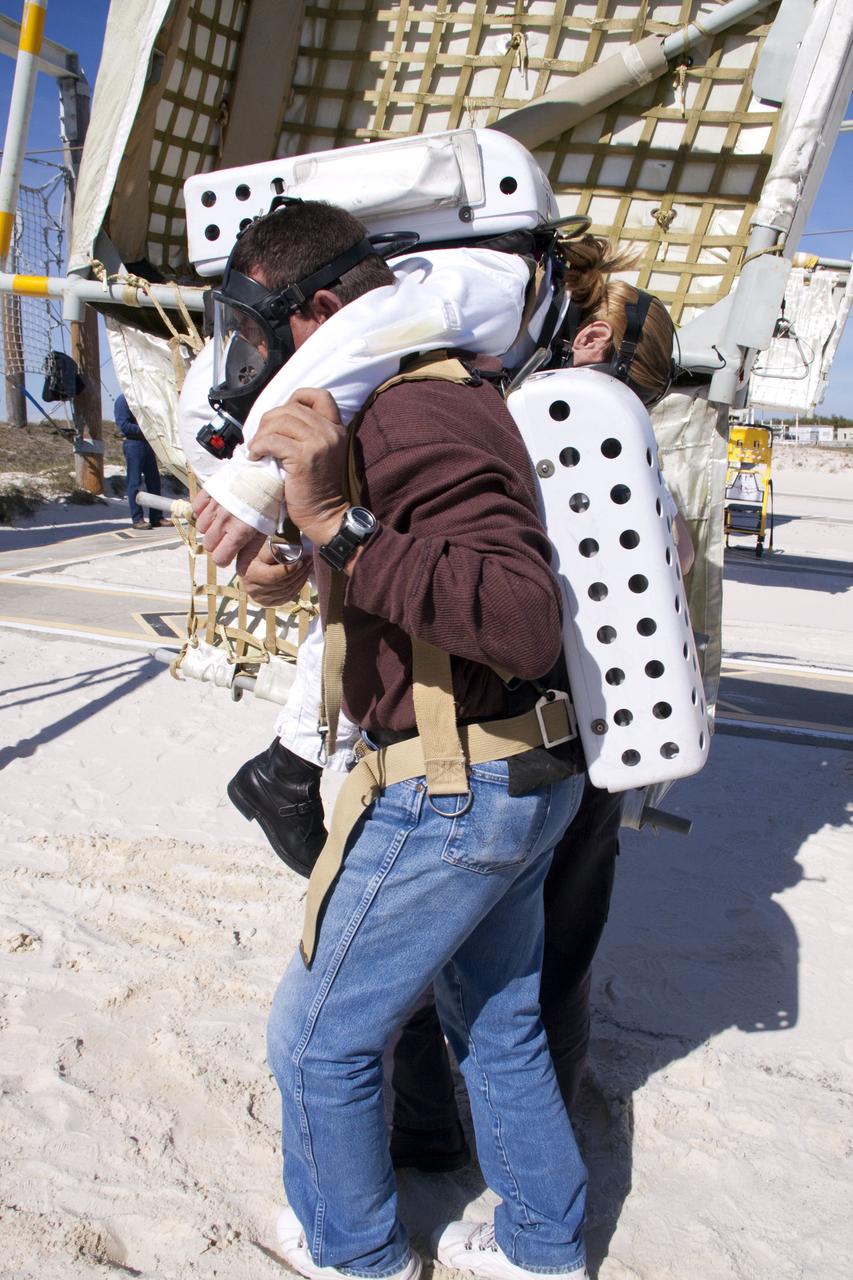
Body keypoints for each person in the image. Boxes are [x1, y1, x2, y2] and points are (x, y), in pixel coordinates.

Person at [195, 200, 591, 1280]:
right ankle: (542, 1248)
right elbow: (420, 561)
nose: (254, 361)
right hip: (515, 767)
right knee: (497, 1025)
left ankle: (354, 1254)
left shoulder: (413, 411)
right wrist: (314, 563)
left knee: (316, 1041)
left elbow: (516, 614)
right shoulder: (423, 394)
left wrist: (337, 527)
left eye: (258, 333)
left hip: (454, 786)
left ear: (320, 310)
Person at [115, 393, 162, 529]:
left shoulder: (142, 399)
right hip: (133, 443)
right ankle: (137, 519)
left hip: (147, 442)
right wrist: (144, 429)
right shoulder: (122, 401)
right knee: (134, 482)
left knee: (154, 480)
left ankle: (156, 517)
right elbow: (123, 425)